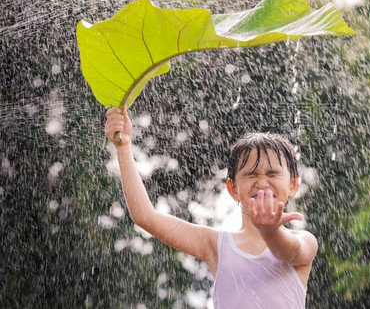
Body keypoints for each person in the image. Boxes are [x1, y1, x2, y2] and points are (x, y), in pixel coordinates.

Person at [104, 106, 318, 308]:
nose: (261, 183)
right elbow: (145, 217)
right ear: (233, 188)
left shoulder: (304, 241)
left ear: (293, 185)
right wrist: (123, 146)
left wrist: (270, 231)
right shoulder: (217, 245)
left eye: (272, 174)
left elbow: (288, 251)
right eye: (251, 175)